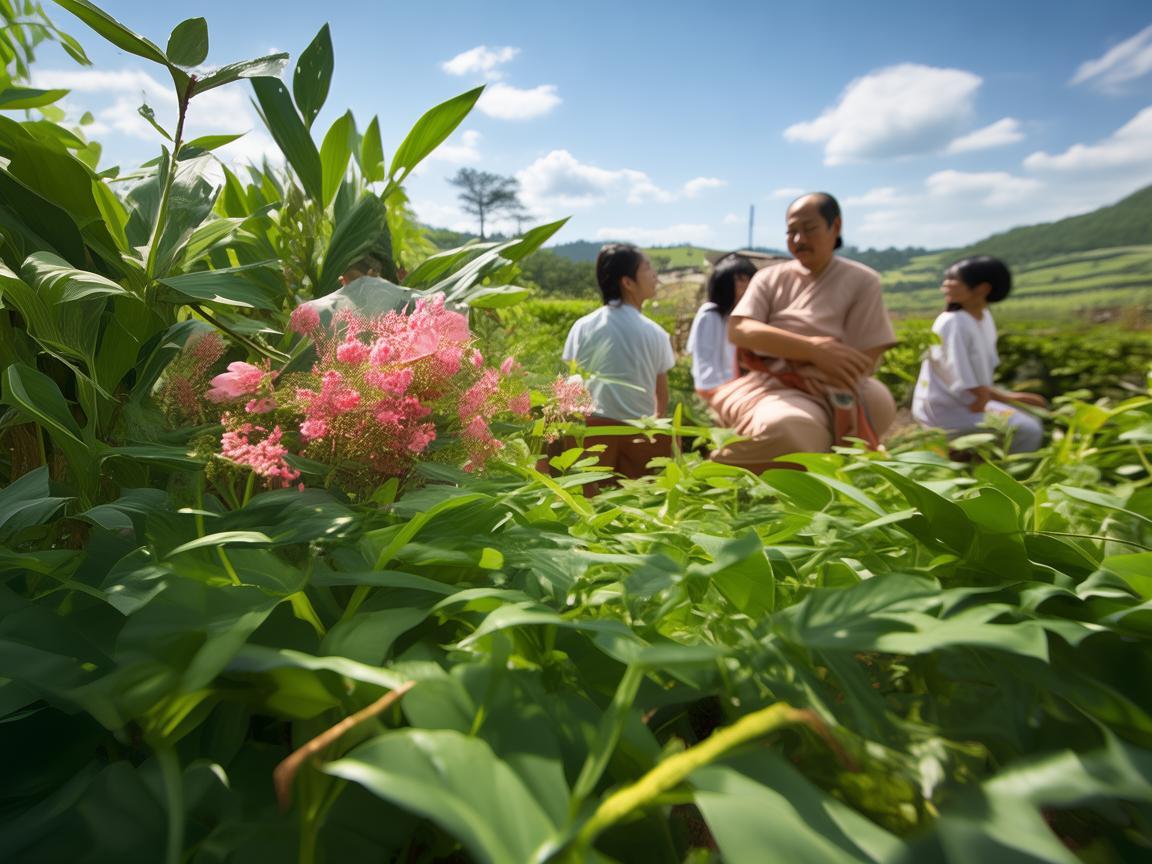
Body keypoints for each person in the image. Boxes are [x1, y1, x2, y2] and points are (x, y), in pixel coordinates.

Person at [710, 193, 897, 472]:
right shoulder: (769, 277)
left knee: (876, 402)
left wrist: (824, 366)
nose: (799, 240)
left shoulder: (862, 280)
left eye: (809, 229)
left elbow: (864, 357)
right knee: (784, 429)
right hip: (778, 386)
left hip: (840, 387)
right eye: (791, 232)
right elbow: (741, 329)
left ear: (836, 227)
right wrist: (813, 350)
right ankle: (715, 474)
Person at [561, 243, 676, 478]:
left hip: (591, 436)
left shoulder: (583, 326)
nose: (654, 275)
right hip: (639, 435)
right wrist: (654, 435)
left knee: (591, 506)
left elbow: (570, 384)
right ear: (628, 282)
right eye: (647, 268)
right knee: (636, 506)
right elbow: (661, 397)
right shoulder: (655, 333)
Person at [911, 256, 1046, 453]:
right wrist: (1008, 398)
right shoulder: (954, 322)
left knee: (1031, 417)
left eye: (954, 279)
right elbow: (963, 379)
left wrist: (1006, 398)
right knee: (1029, 430)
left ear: (982, 288)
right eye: (947, 278)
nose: (946, 284)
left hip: (967, 402)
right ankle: (1012, 479)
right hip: (950, 409)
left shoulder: (981, 318)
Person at [686, 254, 759, 401]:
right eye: (741, 280)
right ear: (725, 283)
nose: (748, 286)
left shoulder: (744, 317)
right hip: (721, 394)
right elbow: (706, 364)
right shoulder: (711, 314)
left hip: (740, 393)